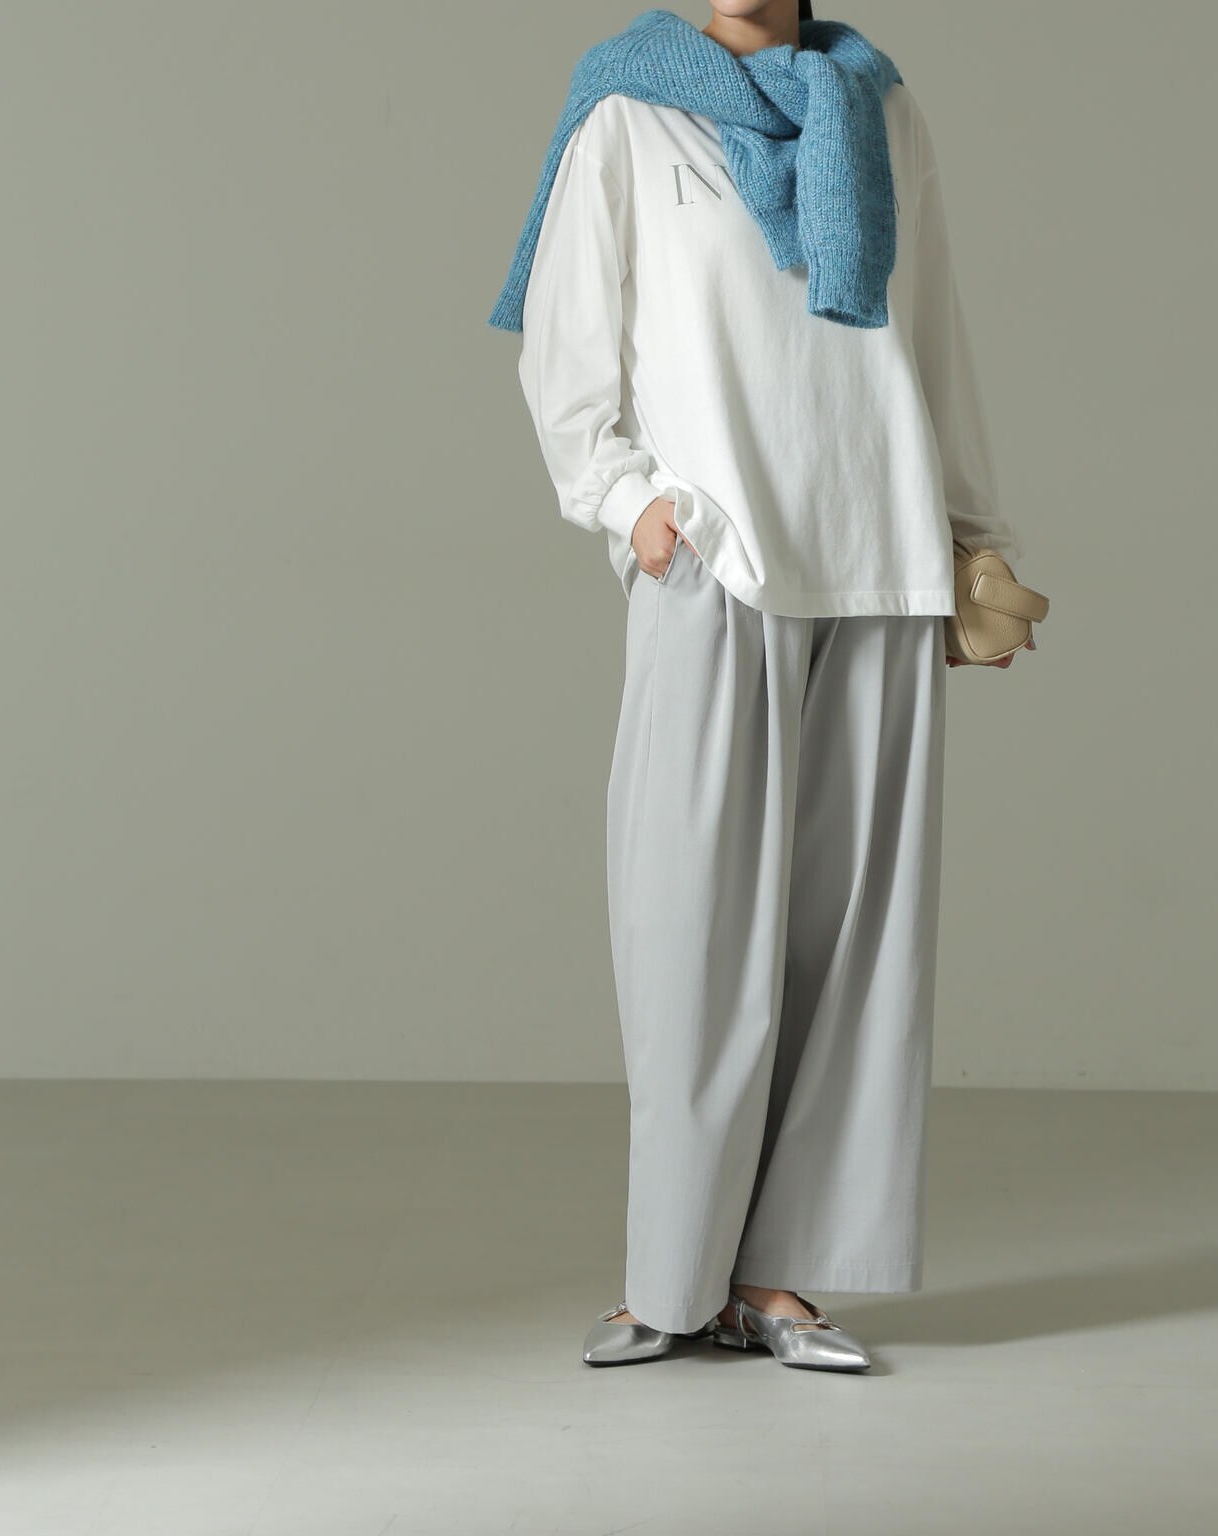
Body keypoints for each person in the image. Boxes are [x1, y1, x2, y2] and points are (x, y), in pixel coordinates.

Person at [489, 1, 1037, 1372]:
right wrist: (631, 508)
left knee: (854, 949)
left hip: (880, 551)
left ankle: (780, 1282)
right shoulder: (628, 110)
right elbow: (566, 339)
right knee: (688, 929)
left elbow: (934, 331)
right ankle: (672, 1281)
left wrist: (972, 535)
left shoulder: (880, 106)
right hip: (719, 558)